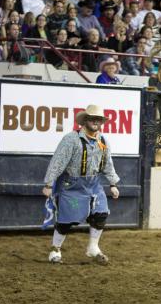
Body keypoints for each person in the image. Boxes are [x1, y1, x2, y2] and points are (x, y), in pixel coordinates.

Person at [42, 104, 120, 265]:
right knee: (66, 219)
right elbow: (57, 162)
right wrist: (49, 184)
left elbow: (107, 163)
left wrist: (112, 183)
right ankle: (55, 249)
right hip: (72, 185)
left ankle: (93, 247)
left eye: (99, 119)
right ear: (85, 120)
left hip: (93, 184)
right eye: (92, 119)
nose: (96, 122)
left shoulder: (103, 141)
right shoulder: (71, 139)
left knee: (101, 213)